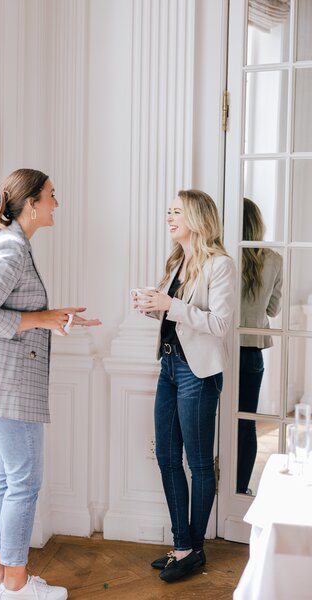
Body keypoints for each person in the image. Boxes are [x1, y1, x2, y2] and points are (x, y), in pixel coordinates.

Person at [0, 168, 101, 600]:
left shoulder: (14, 245)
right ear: (32, 204)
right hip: (8, 387)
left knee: (4, 478)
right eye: (52, 195)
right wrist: (43, 319)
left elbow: (15, 310)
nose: (57, 202)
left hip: (0, 383)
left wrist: (54, 317)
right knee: (23, 481)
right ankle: (17, 587)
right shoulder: (13, 248)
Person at [133, 189, 236, 583]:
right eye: (168, 211)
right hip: (170, 368)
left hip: (198, 374)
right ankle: (184, 544)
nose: (169, 217)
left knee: (197, 463)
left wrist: (169, 305)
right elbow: (176, 318)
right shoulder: (178, 260)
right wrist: (150, 306)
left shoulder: (219, 265)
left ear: (197, 217)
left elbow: (220, 325)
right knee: (166, 457)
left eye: (176, 211)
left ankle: (191, 549)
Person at [237, 198, 282, 494]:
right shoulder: (275, 259)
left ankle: (216, 489)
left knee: (213, 424)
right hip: (252, 352)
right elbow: (273, 310)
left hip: (220, 350)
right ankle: (240, 489)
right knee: (246, 424)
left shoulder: (223, 257)